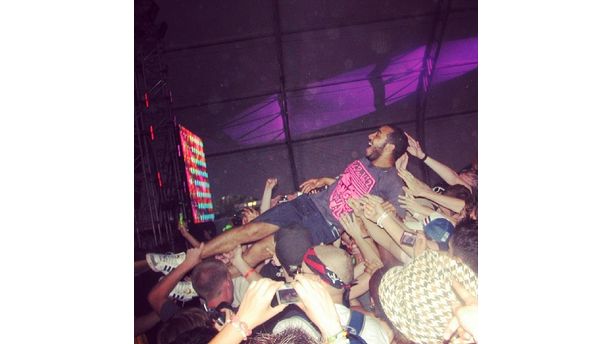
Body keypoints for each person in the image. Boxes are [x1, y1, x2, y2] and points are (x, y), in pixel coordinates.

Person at [195, 125, 409, 268]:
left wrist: (379, 218)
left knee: (262, 249)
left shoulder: (392, 182)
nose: (371, 136)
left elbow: (398, 224)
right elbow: (345, 186)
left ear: (390, 147)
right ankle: (194, 256)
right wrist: (322, 181)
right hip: (308, 203)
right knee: (250, 230)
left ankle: (215, 281)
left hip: (325, 226)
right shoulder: (363, 161)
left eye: (378, 135)